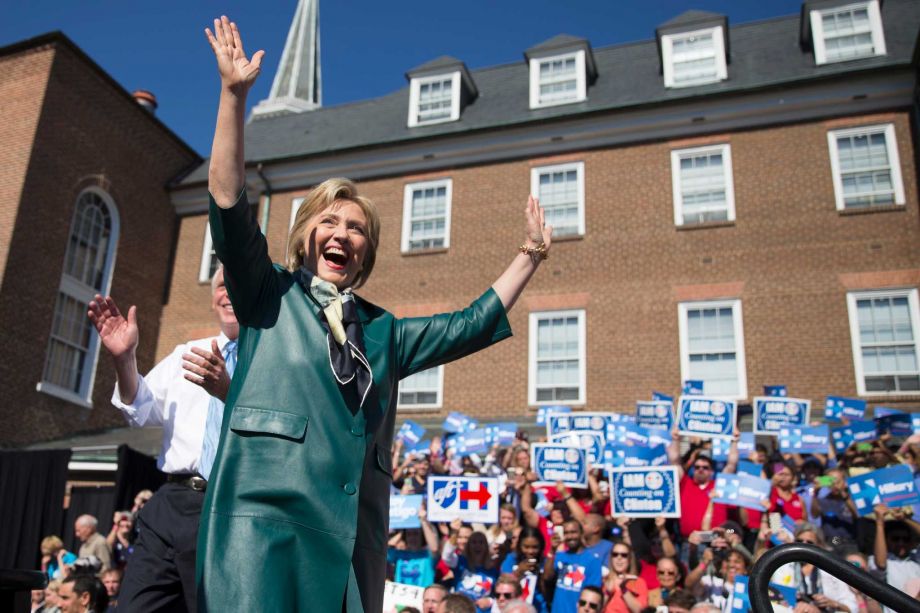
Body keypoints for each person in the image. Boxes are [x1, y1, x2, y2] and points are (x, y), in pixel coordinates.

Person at [199, 15, 553, 613]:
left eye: (357, 228)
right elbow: (230, 202)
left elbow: (466, 325)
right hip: (260, 525)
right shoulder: (268, 293)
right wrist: (234, 97)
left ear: (366, 250)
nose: (343, 234)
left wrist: (530, 255)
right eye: (329, 222)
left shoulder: (384, 332)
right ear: (304, 234)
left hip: (345, 536)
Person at [87, 265, 239, 612]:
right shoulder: (187, 352)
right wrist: (125, 360)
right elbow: (139, 409)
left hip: (231, 508)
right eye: (220, 285)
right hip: (173, 502)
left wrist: (231, 393)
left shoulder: (273, 359)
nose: (227, 293)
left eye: (236, 284)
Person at [770, 524, 856, 613]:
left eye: (809, 542)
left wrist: (833, 603)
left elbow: (853, 607)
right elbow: (777, 597)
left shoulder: (832, 570)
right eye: (799, 541)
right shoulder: (783, 567)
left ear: (819, 546)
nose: (803, 545)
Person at [869, 505, 920, 613]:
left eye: (905, 539)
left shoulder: (916, 558)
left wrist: (905, 519)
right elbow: (881, 564)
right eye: (895, 539)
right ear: (887, 540)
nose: (901, 543)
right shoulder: (880, 560)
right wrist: (879, 523)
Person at [545, 520, 604, 613]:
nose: (570, 536)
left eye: (573, 532)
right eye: (566, 533)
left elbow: (593, 594)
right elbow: (547, 578)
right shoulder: (559, 556)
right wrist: (552, 550)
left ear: (581, 533)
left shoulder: (593, 561)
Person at [500, 525, 549, 613]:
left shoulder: (545, 562)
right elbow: (503, 582)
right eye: (526, 547)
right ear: (519, 545)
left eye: (535, 547)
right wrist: (519, 572)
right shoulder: (511, 560)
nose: (530, 551)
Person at [602, 541, 648, 613]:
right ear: (611, 558)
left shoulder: (638, 582)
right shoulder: (604, 580)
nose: (619, 558)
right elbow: (595, 609)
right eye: (615, 554)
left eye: (624, 555)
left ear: (629, 559)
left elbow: (640, 611)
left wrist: (624, 590)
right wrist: (607, 593)